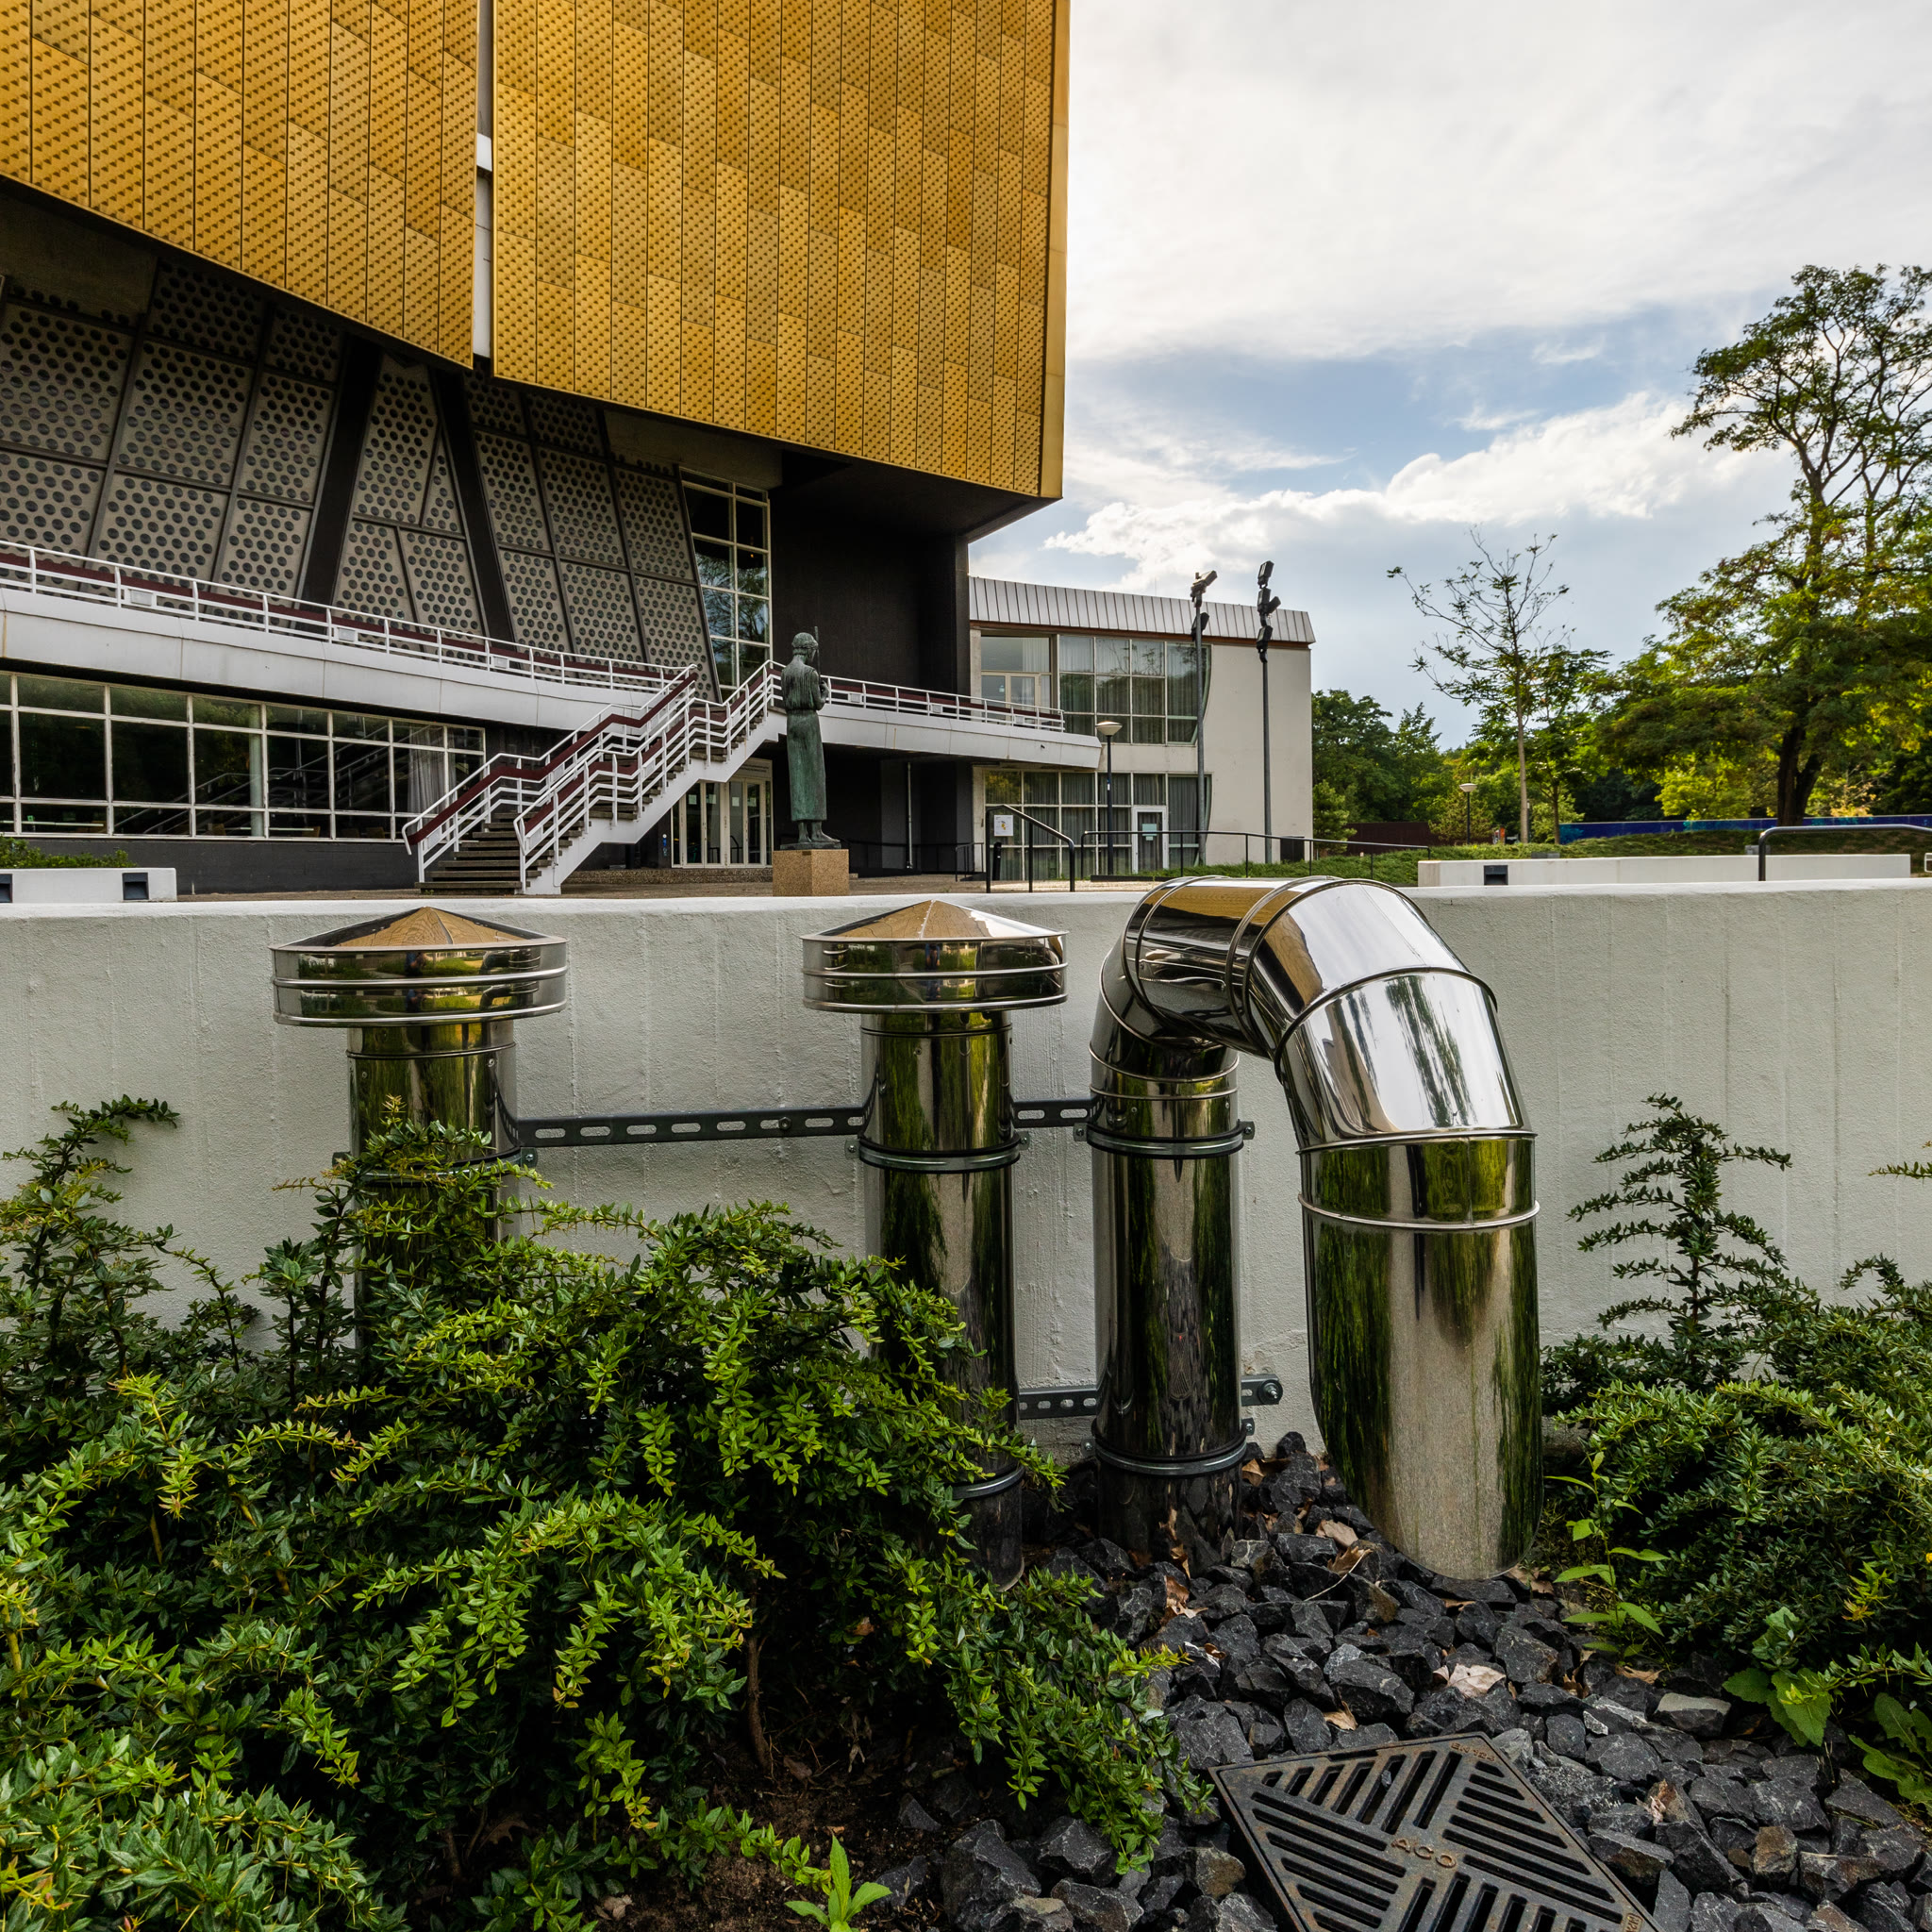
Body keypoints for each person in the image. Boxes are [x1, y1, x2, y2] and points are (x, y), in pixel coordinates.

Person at [781, 631, 839, 848]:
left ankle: (802, 834)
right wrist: (825, 692)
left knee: (797, 776)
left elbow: (786, 699)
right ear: (807, 650)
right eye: (813, 650)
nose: (814, 654)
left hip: (792, 722)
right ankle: (817, 831)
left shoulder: (785, 672)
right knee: (815, 774)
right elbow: (818, 703)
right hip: (808, 722)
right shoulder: (810, 673)